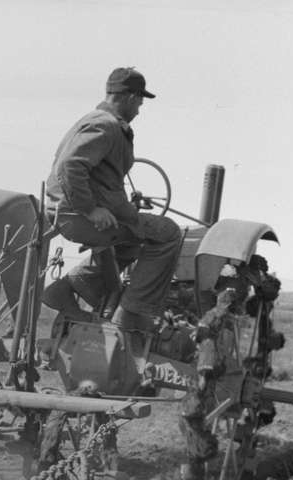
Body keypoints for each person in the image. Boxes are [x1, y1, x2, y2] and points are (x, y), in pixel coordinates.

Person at [42, 67, 182, 333]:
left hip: (75, 212)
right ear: (129, 96)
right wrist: (91, 209)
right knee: (168, 233)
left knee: (134, 239)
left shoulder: (98, 121)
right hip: (79, 216)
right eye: (140, 100)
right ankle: (131, 314)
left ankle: (69, 287)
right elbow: (70, 166)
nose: (140, 108)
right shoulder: (104, 125)